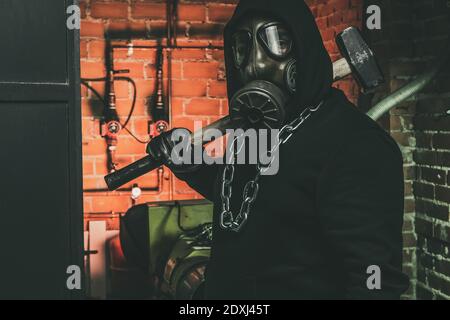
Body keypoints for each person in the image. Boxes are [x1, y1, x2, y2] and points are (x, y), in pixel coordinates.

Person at [147, 0, 410, 299]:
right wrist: (187, 162)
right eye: (242, 47)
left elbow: (374, 286)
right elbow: (251, 196)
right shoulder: (261, 131)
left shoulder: (356, 146)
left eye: (276, 42)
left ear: (303, 48)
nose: (255, 63)